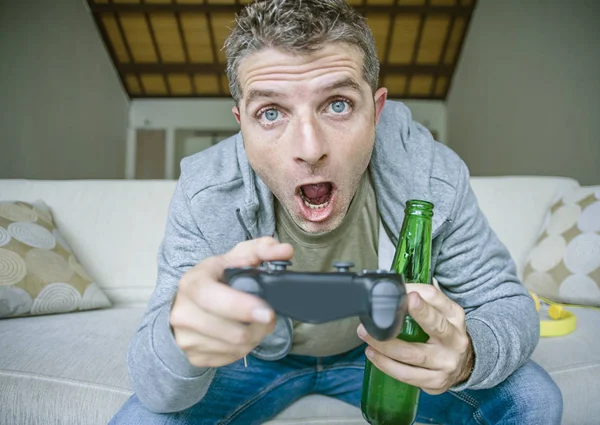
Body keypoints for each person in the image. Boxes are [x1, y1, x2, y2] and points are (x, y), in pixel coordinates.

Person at [110, 0, 563, 423]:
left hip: (374, 351)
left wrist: (467, 357)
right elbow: (157, 388)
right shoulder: (205, 189)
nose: (310, 149)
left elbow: (505, 302)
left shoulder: (432, 173)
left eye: (338, 104)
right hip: (257, 361)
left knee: (532, 397)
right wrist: (179, 334)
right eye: (271, 113)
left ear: (375, 112)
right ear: (242, 125)